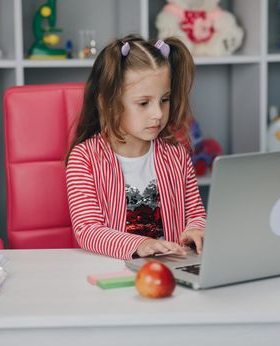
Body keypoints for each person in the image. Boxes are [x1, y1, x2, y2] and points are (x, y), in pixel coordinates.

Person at [65, 34, 206, 260]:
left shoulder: (177, 154)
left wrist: (196, 229)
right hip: (112, 271)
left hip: (170, 270)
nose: (158, 114)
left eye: (164, 100)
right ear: (107, 103)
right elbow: (88, 231)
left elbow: (195, 213)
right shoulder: (84, 159)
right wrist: (141, 244)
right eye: (143, 103)